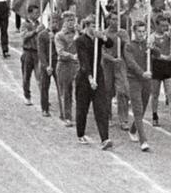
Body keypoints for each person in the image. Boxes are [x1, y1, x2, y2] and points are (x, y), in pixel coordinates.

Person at [74, 15, 114, 150]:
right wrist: (90, 78)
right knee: (82, 108)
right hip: (85, 77)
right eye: (93, 26)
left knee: (101, 108)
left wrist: (103, 37)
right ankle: (80, 133)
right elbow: (84, 61)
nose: (96, 29)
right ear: (87, 26)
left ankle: (105, 138)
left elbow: (110, 44)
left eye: (97, 26)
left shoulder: (98, 40)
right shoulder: (80, 41)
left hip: (99, 74)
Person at [121, 20, 152, 151]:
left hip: (147, 80)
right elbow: (131, 63)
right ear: (134, 32)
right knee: (138, 109)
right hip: (134, 80)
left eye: (143, 31)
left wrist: (152, 47)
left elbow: (157, 53)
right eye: (139, 31)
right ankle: (143, 140)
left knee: (144, 107)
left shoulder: (147, 45)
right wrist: (141, 73)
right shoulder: (129, 46)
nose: (141, 34)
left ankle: (133, 129)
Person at [101, 11, 129, 130]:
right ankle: (108, 116)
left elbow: (128, 48)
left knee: (122, 91)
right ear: (108, 20)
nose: (115, 22)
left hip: (120, 65)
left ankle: (123, 119)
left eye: (117, 19)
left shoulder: (123, 33)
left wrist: (124, 41)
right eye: (113, 19)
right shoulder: (104, 34)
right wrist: (112, 59)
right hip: (107, 65)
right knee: (107, 91)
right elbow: (102, 51)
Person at [149, 14, 171, 129]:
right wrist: (164, 57)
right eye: (162, 26)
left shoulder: (169, 36)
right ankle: (155, 116)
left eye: (166, 25)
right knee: (155, 94)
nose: (164, 28)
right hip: (156, 67)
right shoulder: (151, 37)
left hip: (168, 68)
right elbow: (152, 54)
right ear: (156, 25)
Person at [54, 11, 78, 128]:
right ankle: (67, 116)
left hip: (76, 66)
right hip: (64, 65)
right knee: (66, 92)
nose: (71, 23)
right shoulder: (59, 35)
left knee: (78, 91)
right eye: (68, 20)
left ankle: (76, 114)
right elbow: (60, 52)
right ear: (64, 21)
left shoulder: (78, 33)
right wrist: (71, 56)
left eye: (72, 20)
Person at [37, 14, 60, 118]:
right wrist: (46, 66)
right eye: (53, 22)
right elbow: (41, 52)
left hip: (57, 62)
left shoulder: (59, 34)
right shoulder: (42, 35)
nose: (55, 24)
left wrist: (54, 39)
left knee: (60, 86)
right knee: (44, 86)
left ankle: (63, 110)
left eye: (56, 22)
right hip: (46, 63)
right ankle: (45, 108)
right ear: (49, 22)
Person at [19, 4, 42, 106]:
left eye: (38, 13)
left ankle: (43, 97)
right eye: (35, 13)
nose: (37, 15)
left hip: (37, 53)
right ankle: (27, 96)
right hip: (28, 52)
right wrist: (35, 31)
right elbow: (24, 36)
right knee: (26, 76)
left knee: (40, 76)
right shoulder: (25, 24)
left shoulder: (40, 24)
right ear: (30, 13)